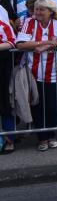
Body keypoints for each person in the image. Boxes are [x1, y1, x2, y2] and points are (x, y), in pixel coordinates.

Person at [16, 0, 57, 151]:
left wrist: (43, 48)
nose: (38, 12)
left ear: (50, 11)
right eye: (36, 9)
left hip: (55, 72)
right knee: (37, 106)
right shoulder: (29, 22)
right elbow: (21, 44)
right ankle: (42, 138)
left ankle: (52, 135)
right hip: (33, 72)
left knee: (52, 106)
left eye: (41, 9)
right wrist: (47, 43)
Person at [0, 15, 15, 154]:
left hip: (2, 68)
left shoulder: (2, 25)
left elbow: (12, 42)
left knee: (4, 104)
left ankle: (9, 139)